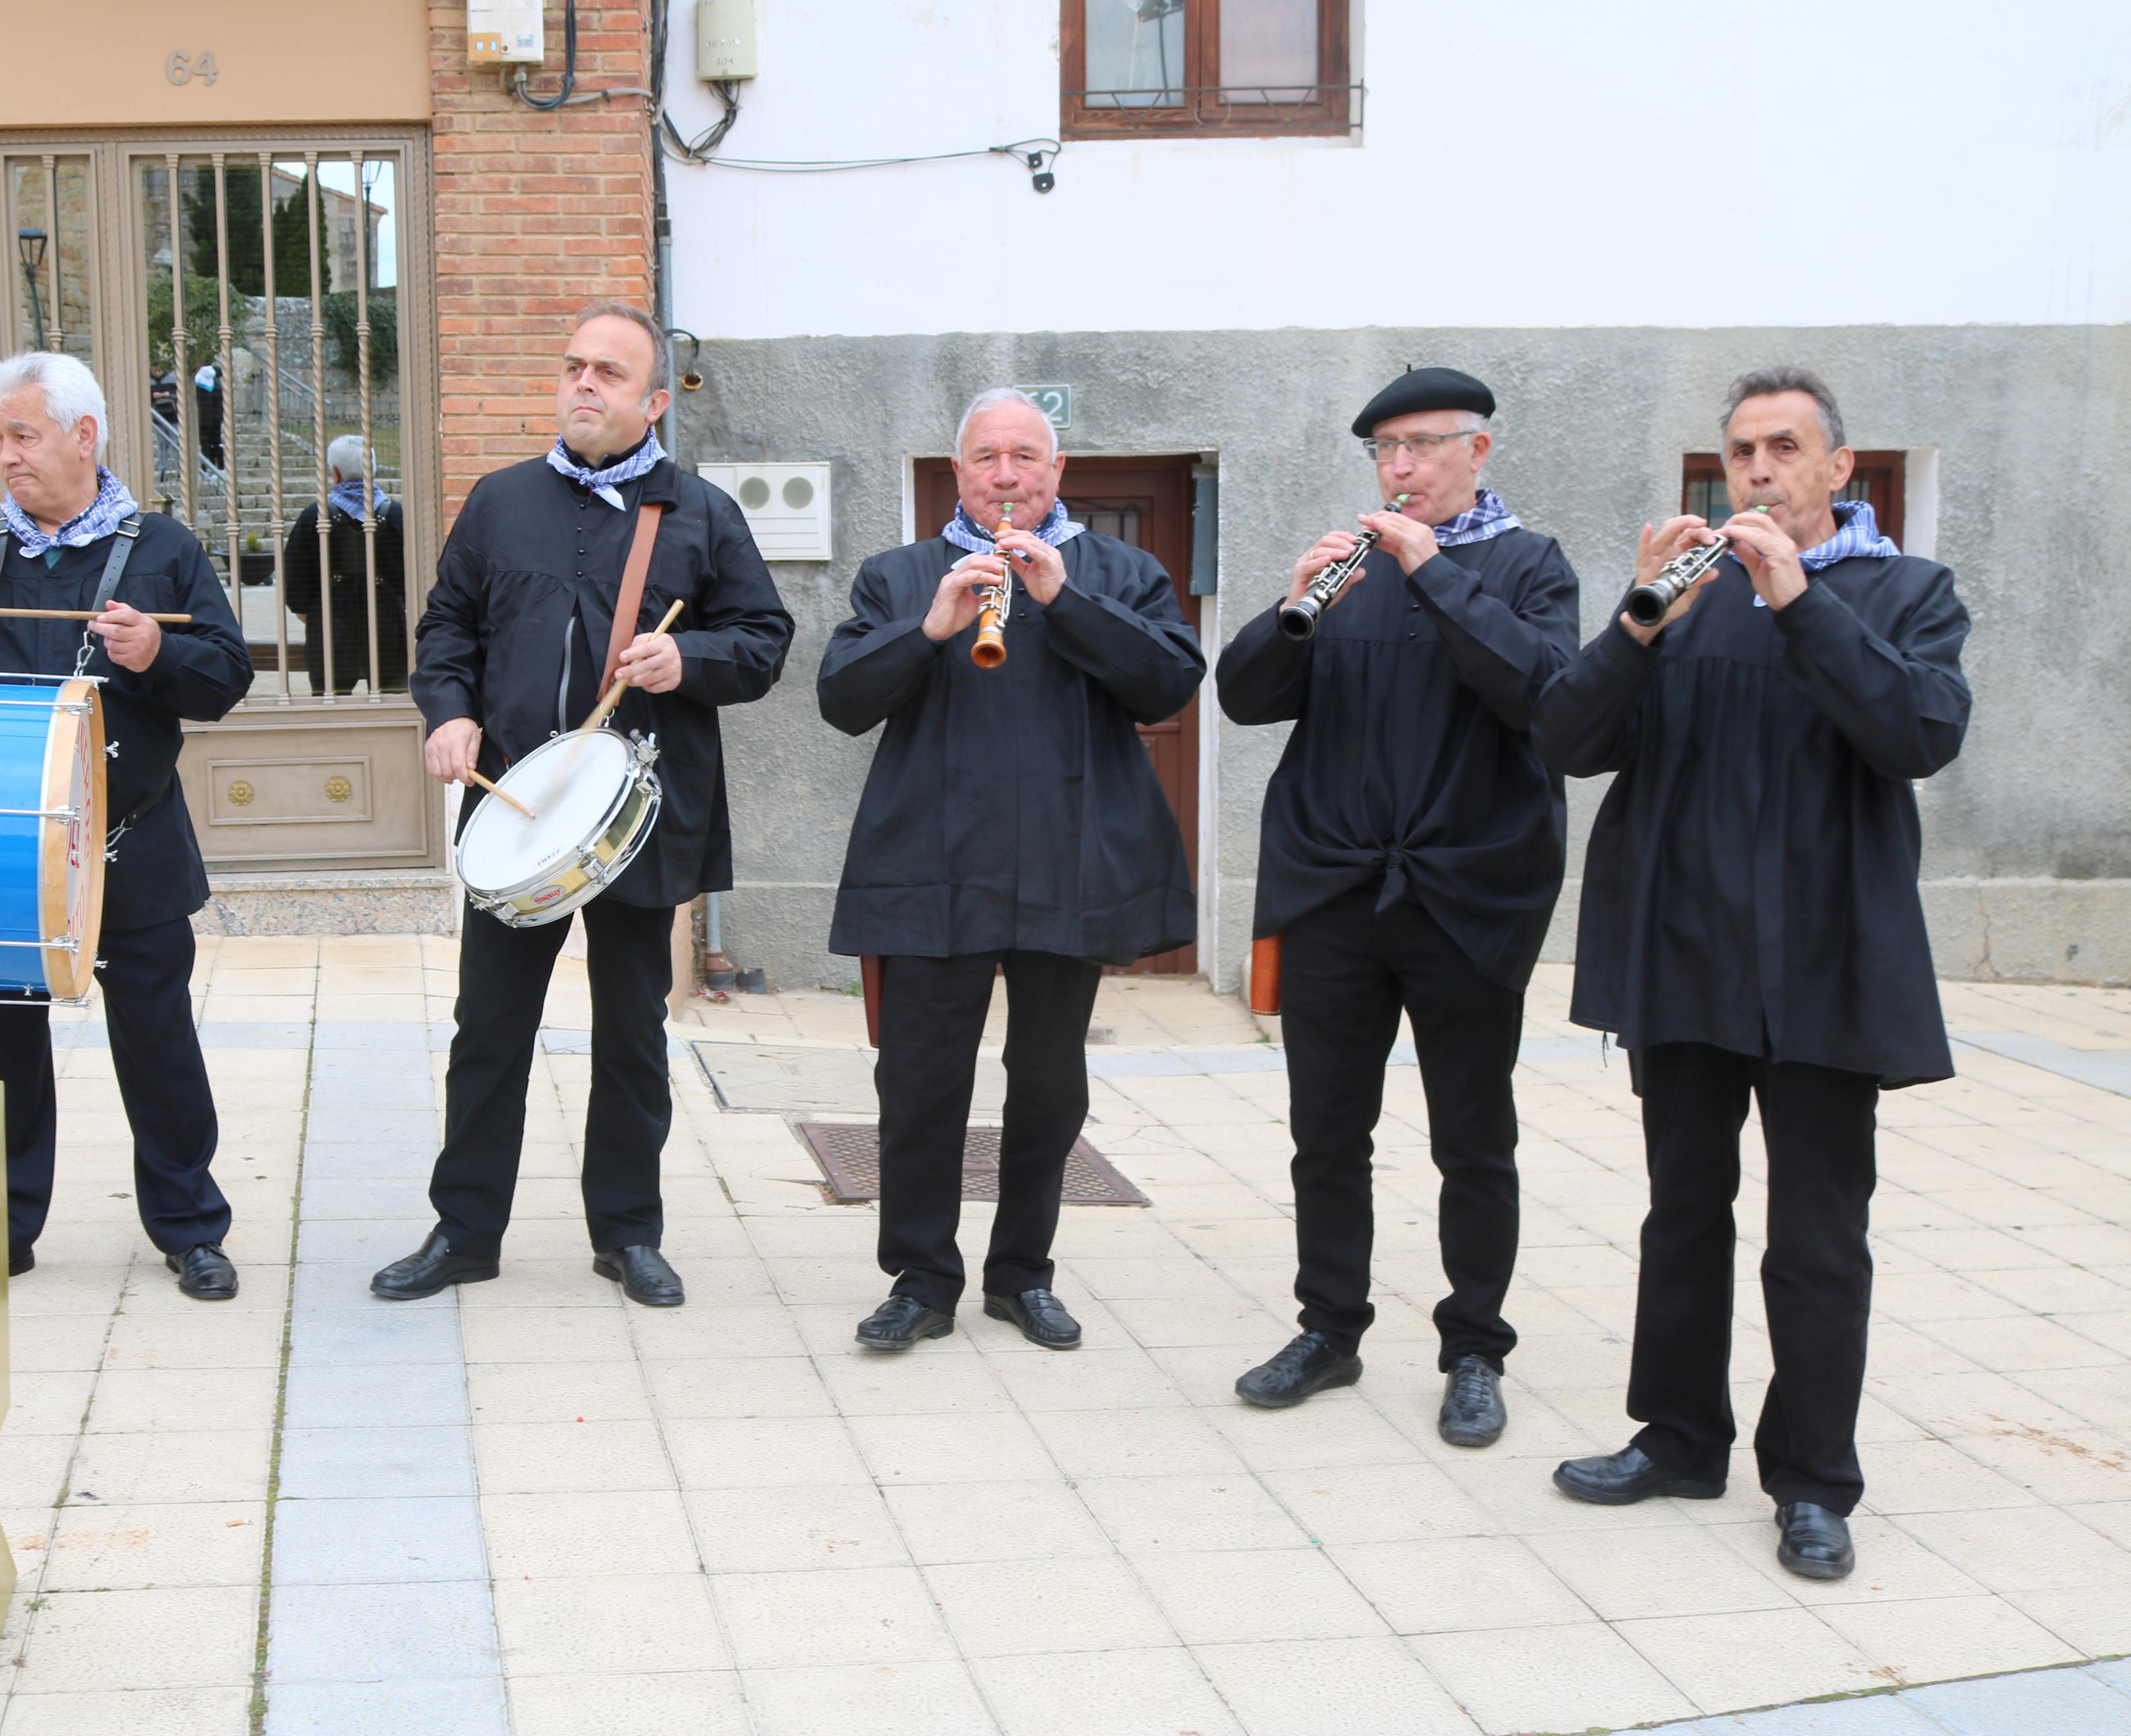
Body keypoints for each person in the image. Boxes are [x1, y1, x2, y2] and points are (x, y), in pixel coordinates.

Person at [1536, 367, 1971, 1582]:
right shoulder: (1681, 598)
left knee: (1817, 1237)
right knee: (1681, 1213)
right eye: (1739, 452)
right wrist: (1633, 619)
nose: (1759, 470)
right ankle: (1675, 1438)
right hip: (1684, 952)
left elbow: (1915, 734)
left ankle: (1812, 1485)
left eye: (1784, 448)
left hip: (1829, 959)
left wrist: (1796, 601)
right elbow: (1564, 744)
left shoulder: (1907, 592)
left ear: (1840, 468)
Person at [372, 301, 794, 1307]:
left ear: (652, 401)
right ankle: (465, 1230)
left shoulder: (698, 513)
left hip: (634, 812)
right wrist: (448, 712)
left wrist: (684, 656)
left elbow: (764, 639)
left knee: (630, 1032)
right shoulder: (499, 500)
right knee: (487, 1030)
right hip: (517, 808)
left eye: (607, 372)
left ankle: (627, 1232)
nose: (582, 385)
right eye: (572, 367)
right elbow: (447, 628)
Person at [1217, 367, 1579, 1446]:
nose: (1401, 467)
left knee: (1471, 1139)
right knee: (1325, 1132)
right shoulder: (1348, 570)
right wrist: (1291, 608)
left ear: (1478, 452)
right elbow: (1243, 700)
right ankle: (1327, 1329)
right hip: (1336, 893)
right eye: (1384, 451)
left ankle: (1472, 1350)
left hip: (1466, 898)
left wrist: (1434, 575)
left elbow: (1545, 696)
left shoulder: (1526, 566)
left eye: (1422, 446)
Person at [820, 388, 1204, 1352]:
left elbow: (1167, 684)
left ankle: (1020, 1273)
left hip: (1066, 860)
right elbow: (840, 700)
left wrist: (1060, 599)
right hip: (931, 864)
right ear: (957, 475)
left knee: (1045, 1081)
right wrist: (931, 628)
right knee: (915, 1081)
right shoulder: (900, 574)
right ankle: (920, 1277)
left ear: (1056, 471)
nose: (1005, 475)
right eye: (985, 458)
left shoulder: (1120, 569)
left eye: (1024, 457)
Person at [0, 350, 254, 1305]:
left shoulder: (163, 548)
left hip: (130, 841)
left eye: (23, 435)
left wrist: (160, 648)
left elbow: (223, 680)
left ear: (84, 436)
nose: (6, 456)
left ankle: (189, 1227)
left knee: (158, 1039)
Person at [284, 434, 409, 696]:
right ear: (373, 470)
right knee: (393, 702)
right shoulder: (397, 515)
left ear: (335, 473)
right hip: (387, 624)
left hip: (330, 625)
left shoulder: (315, 517)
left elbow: (295, 575)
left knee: (331, 703)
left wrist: (306, 610)